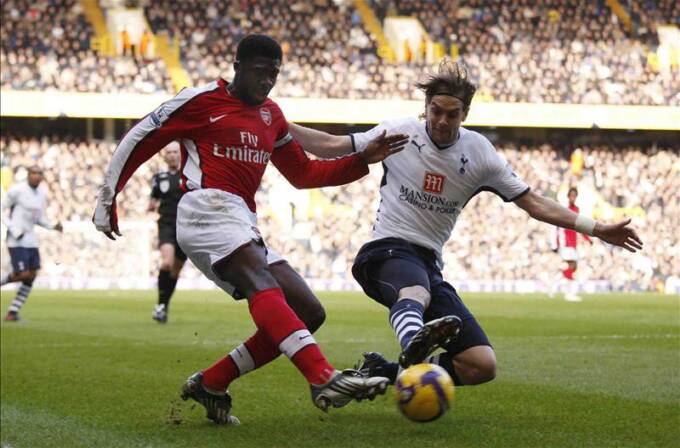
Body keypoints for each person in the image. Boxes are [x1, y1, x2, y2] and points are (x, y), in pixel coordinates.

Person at [93, 34, 408, 424]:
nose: (267, 82)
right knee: (264, 284)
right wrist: (108, 197)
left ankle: (212, 382)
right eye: (260, 72)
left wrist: (362, 158)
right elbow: (141, 136)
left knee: (308, 311)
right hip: (203, 208)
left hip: (240, 219)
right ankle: (323, 376)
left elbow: (303, 173)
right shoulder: (201, 99)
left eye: (273, 74)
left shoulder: (270, 115)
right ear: (238, 67)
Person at [288, 59, 643, 388]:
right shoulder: (399, 134)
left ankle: (387, 371)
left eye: (452, 114)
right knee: (416, 293)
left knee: (480, 365)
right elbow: (333, 145)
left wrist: (597, 228)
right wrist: (277, 124)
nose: (442, 121)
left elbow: (534, 203)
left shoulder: (479, 154)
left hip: (429, 265)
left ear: (465, 114)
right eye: (435, 111)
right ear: (425, 107)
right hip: (386, 251)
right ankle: (414, 343)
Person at [1, 165, 63, 321]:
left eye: (40, 173)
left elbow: (38, 218)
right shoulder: (17, 190)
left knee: (31, 276)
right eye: (35, 173)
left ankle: (12, 313)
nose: (38, 176)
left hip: (31, 240)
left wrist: (52, 226)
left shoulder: (41, 194)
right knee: (23, 274)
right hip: (16, 239)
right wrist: (13, 228)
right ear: (28, 174)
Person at [148, 142, 186, 323]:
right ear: (164, 156)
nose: (172, 155)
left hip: (186, 228)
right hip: (167, 225)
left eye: (175, 152)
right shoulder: (159, 177)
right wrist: (150, 205)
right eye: (168, 152)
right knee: (167, 263)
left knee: (176, 270)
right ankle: (160, 305)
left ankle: (163, 305)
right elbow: (152, 201)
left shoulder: (189, 176)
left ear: (181, 154)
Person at [552, 187, 593, 302]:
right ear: (568, 196)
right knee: (573, 266)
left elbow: (579, 227)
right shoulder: (564, 209)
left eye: (575, 195)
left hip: (573, 242)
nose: (573, 197)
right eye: (571, 195)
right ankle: (569, 294)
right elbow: (558, 226)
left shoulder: (576, 209)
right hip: (565, 242)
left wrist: (587, 238)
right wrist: (556, 243)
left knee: (572, 267)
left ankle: (555, 285)